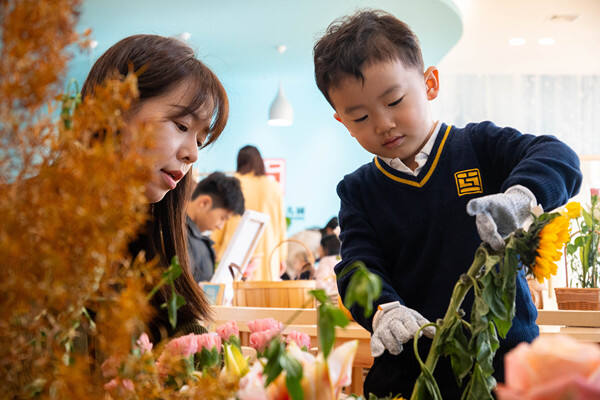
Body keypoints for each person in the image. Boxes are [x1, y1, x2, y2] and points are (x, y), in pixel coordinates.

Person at [313, 10, 582, 398]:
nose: (383, 123)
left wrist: (520, 198)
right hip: (413, 369)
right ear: (341, 121)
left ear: (430, 83)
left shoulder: (479, 147)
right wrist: (385, 310)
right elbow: (357, 266)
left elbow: (558, 155)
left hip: (505, 365)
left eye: (394, 101)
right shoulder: (358, 190)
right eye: (360, 117)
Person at [81, 34, 229, 341]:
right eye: (181, 126)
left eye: (200, 140)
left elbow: (177, 327)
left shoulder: (146, 239)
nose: (193, 153)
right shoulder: (27, 224)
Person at [212, 145, 287, 281]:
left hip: (235, 247)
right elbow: (280, 225)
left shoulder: (232, 183)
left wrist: (214, 247)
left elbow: (220, 219)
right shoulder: (273, 186)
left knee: (232, 296)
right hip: (267, 252)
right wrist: (281, 256)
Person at [186, 172, 244, 282]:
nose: (220, 227)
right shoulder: (180, 237)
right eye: (222, 217)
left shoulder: (194, 238)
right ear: (204, 203)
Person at [314, 234, 341, 302]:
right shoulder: (340, 259)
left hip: (330, 301)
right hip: (341, 300)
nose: (318, 250)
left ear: (325, 248)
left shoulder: (325, 261)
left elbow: (320, 286)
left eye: (320, 247)